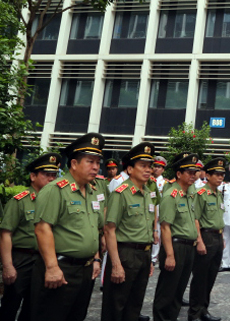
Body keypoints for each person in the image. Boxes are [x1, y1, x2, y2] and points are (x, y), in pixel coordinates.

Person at [31, 133, 106, 321]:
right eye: (90, 161)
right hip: (61, 268)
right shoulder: (55, 190)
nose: (96, 167)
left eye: (98, 162)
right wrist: (52, 267)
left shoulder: (92, 191)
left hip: (85, 269)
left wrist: (96, 259)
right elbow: (42, 229)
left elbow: (92, 229)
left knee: (76, 316)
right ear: (74, 163)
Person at [0, 153, 61, 321]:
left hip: (43, 260)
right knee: (10, 305)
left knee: (35, 307)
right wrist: (7, 266)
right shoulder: (20, 201)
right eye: (46, 175)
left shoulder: (55, 200)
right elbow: (5, 233)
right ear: (33, 176)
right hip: (22, 259)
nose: (51, 179)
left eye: (54, 175)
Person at [101, 143, 157, 321]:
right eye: (143, 166)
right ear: (130, 169)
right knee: (115, 305)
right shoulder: (121, 193)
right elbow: (109, 229)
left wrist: (148, 258)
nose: (148, 170)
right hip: (125, 253)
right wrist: (116, 264)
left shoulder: (148, 193)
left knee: (135, 303)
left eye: (150, 166)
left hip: (143, 254)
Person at [152, 153, 200, 321]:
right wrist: (170, 255)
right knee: (167, 290)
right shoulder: (170, 195)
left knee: (178, 291)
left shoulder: (188, 195)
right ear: (179, 174)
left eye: (195, 172)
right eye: (189, 172)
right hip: (176, 247)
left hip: (189, 247)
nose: (193, 176)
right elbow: (165, 227)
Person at [188, 157, 226, 321]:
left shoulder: (218, 194)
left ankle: (204, 310)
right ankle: (194, 313)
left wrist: (222, 237)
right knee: (200, 277)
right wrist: (200, 241)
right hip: (206, 237)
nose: (220, 177)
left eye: (222, 175)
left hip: (217, 237)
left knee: (211, 276)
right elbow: (195, 219)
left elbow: (219, 216)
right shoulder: (200, 194)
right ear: (208, 175)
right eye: (216, 174)